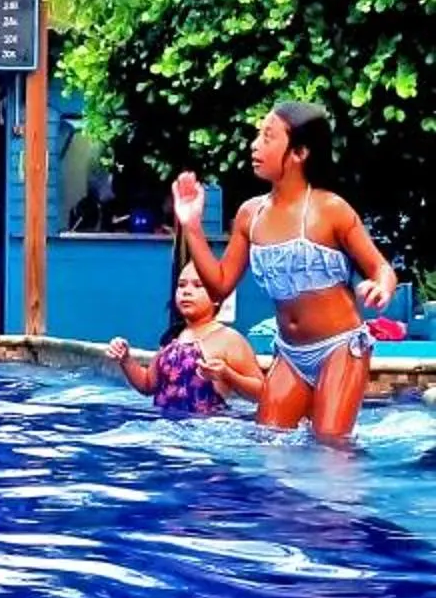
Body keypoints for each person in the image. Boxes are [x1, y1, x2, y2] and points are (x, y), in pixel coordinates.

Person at [172, 103, 397, 443]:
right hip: (289, 353)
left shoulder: (330, 209)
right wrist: (191, 225)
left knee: (330, 446)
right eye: (258, 136)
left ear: (299, 153)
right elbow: (218, 286)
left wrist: (381, 287)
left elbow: (381, 268)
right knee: (268, 442)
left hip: (339, 348)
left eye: (267, 137)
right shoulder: (250, 214)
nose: (254, 145)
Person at [107, 262, 265, 418]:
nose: (186, 292)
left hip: (205, 428)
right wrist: (126, 360)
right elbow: (148, 385)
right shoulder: (173, 337)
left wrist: (228, 375)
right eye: (181, 285)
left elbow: (261, 393)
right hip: (164, 427)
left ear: (217, 296)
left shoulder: (229, 339)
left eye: (198, 285)